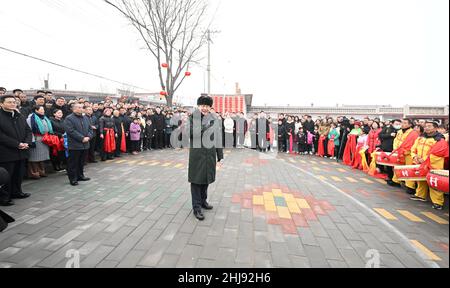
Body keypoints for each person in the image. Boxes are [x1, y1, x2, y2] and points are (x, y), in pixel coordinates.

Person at [188, 96, 224, 221]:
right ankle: (196, 208)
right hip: (197, 155)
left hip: (210, 155)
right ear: (198, 106)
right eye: (202, 105)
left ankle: (203, 201)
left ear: (210, 107)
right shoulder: (193, 118)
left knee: (206, 179)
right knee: (196, 181)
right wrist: (206, 126)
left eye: (207, 106)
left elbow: (218, 137)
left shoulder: (214, 119)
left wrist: (220, 155)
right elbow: (191, 133)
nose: (204, 108)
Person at [0, 95, 33, 206]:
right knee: (6, 175)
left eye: (14, 102)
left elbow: (28, 131)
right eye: (9, 102)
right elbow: (1, 136)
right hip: (7, 152)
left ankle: (17, 192)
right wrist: (17, 144)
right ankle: (4, 197)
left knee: (19, 174)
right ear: (1, 104)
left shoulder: (20, 115)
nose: (13, 104)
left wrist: (26, 143)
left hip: (22, 151)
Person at [410, 121, 449, 210]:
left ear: (435, 128)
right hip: (420, 163)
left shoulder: (440, 140)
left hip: (434, 165)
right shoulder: (420, 137)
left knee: (434, 183)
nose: (427, 128)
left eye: (429, 126)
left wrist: (424, 159)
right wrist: (414, 156)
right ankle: (420, 195)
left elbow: (438, 153)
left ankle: (438, 202)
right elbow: (413, 148)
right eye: (426, 126)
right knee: (421, 180)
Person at [64, 103, 93, 186]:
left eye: (82, 107)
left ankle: (80, 176)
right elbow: (70, 131)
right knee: (73, 163)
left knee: (81, 162)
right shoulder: (69, 118)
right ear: (74, 109)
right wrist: (82, 138)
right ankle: (73, 179)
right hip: (75, 145)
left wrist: (88, 137)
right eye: (79, 107)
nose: (81, 109)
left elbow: (90, 129)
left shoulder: (85, 118)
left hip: (85, 144)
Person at [391, 119, 419, 194]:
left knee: (408, 169)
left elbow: (413, 144)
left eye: (405, 123)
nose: (402, 124)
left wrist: (406, 151)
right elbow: (396, 140)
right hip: (399, 152)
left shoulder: (413, 133)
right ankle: (396, 180)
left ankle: (410, 186)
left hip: (408, 154)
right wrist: (395, 148)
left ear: (410, 125)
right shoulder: (399, 131)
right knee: (398, 166)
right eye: (402, 123)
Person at [26, 105, 53, 179]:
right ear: (36, 110)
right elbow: (29, 131)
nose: (43, 110)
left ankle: (41, 171)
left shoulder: (44, 118)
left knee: (41, 157)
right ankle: (34, 173)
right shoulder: (31, 118)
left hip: (44, 139)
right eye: (41, 109)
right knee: (34, 157)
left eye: (43, 109)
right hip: (35, 139)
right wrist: (32, 141)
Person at [379, 119, 401, 185]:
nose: (398, 125)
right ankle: (390, 177)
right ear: (392, 123)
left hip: (396, 150)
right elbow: (380, 135)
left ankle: (396, 179)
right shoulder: (387, 128)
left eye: (399, 124)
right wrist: (389, 135)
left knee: (396, 165)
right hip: (387, 148)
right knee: (388, 164)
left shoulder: (400, 131)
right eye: (396, 124)